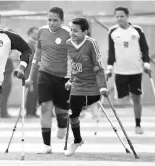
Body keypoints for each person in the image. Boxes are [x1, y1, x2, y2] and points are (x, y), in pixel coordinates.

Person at [26, 7, 71, 153]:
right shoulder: (41, 31)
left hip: (63, 77)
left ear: (62, 21)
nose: (52, 23)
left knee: (61, 110)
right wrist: (30, 78)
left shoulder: (68, 34)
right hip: (44, 74)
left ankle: (62, 124)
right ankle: (46, 145)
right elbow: (37, 55)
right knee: (45, 107)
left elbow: (74, 57)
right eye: (49, 20)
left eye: (55, 20)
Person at [64, 17, 109, 156]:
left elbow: (98, 67)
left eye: (76, 31)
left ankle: (85, 109)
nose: (72, 33)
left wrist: (102, 86)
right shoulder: (68, 43)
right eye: (71, 30)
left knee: (79, 107)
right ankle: (77, 140)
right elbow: (73, 64)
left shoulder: (91, 43)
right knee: (72, 115)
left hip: (93, 85)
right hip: (77, 85)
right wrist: (71, 80)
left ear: (85, 31)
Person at [106, 7, 150, 135]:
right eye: (117, 16)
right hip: (120, 71)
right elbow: (111, 52)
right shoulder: (112, 31)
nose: (119, 19)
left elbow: (144, 48)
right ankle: (120, 123)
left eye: (122, 16)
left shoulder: (137, 30)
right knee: (121, 99)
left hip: (135, 71)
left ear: (127, 16)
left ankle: (138, 124)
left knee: (136, 98)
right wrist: (109, 67)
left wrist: (146, 63)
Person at [25, 27, 39, 118]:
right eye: (35, 33)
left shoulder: (35, 43)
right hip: (30, 71)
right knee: (30, 92)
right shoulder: (28, 44)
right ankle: (29, 112)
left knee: (35, 92)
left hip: (36, 72)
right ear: (30, 33)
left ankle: (33, 111)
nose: (36, 34)